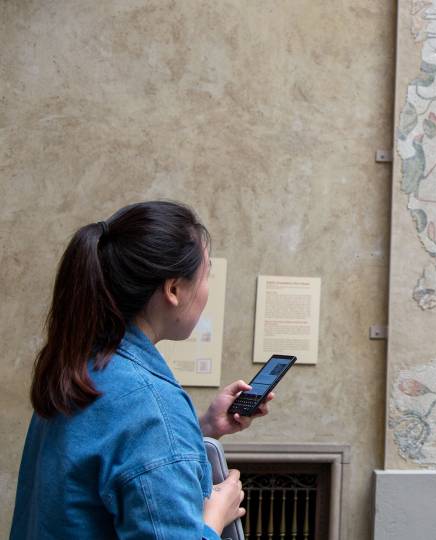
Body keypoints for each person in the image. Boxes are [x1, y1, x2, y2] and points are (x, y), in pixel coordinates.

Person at [11, 201, 273, 539]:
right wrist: (213, 519)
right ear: (174, 289)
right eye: (207, 274)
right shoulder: (149, 405)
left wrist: (201, 429)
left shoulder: (82, 369)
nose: (207, 288)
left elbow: (110, 464)